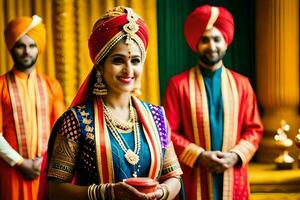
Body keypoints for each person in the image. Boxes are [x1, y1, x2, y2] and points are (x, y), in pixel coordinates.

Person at [46, 6, 183, 200]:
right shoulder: (77, 121)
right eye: (118, 60)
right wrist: (106, 193)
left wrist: (160, 193)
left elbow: (174, 176)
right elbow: (55, 190)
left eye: (135, 61)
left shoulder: (156, 117)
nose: (128, 70)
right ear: (100, 66)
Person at [163, 5, 264, 200]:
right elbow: (167, 133)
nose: (212, 46)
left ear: (225, 42)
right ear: (196, 44)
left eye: (217, 39)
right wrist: (199, 156)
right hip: (194, 176)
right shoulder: (178, 85)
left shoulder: (242, 84)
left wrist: (234, 156)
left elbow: (254, 129)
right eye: (205, 40)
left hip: (233, 175)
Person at [0, 15, 65, 200]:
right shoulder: (1, 86)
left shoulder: (51, 85)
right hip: (11, 171)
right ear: (12, 48)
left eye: (32, 45)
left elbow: (60, 131)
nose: (26, 51)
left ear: (38, 48)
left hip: (44, 170)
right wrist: (20, 163)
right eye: (20, 46)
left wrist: (42, 162)